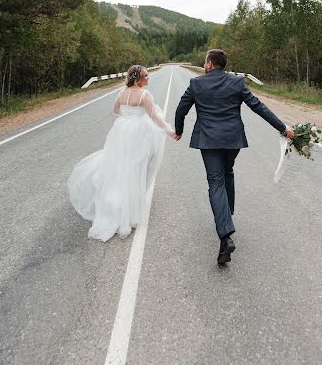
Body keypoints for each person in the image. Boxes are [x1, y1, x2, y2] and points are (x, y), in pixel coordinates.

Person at [173, 49, 294, 266]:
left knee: (215, 182)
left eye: (205, 62)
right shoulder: (237, 83)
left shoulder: (196, 84)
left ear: (210, 64)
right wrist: (282, 127)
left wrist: (179, 130)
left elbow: (181, 109)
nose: (204, 64)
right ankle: (226, 215)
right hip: (232, 140)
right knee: (227, 173)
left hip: (209, 141)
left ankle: (225, 234)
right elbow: (259, 107)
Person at [67, 65, 174, 241]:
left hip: (121, 130)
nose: (148, 78)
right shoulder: (145, 95)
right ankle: (128, 209)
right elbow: (154, 117)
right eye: (146, 76)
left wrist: (127, 117)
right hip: (138, 133)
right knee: (134, 168)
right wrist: (169, 130)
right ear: (138, 78)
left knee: (118, 166)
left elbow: (116, 110)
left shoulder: (122, 92)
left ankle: (113, 205)